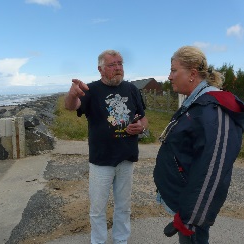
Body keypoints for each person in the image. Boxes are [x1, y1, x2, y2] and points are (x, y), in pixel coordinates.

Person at [153, 46, 244, 244]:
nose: (169, 76)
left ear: (192, 73)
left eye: (174, 70)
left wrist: (190, 218)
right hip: (186, 202)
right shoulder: (196, 103)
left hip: (192, 209)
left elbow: (213, 171)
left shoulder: (215, 109)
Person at [64, 49, 148, 244]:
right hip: (101, 160)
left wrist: (141, 127)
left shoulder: (132, 89)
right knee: (97, 208)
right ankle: (98, 241)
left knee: (124, 206)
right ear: (100, 69)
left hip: (127, 157)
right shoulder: (91, 90)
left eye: (120, 64)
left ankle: (121, 240)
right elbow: (71, 106)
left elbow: (144, 120)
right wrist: (72, 94)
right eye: (112, 65)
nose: (118, 68)